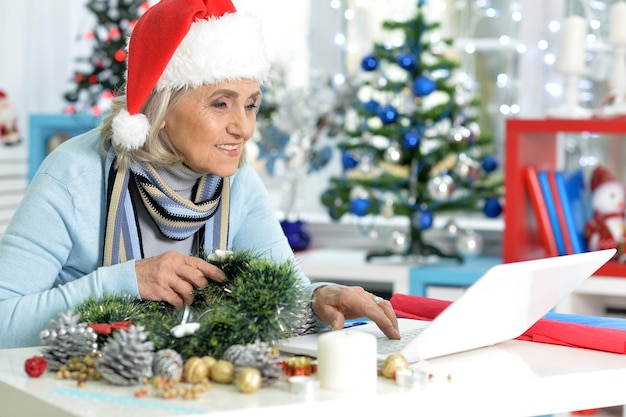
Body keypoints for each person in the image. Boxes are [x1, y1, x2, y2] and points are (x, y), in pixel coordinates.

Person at [0, 0, 399, 349]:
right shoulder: (75, 174)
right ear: (162, 110)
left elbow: (284, 297)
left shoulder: (237, 182)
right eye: (221, 104)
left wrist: (320, 298)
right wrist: (124, 282)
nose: (243, 128)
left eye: (251, 105)